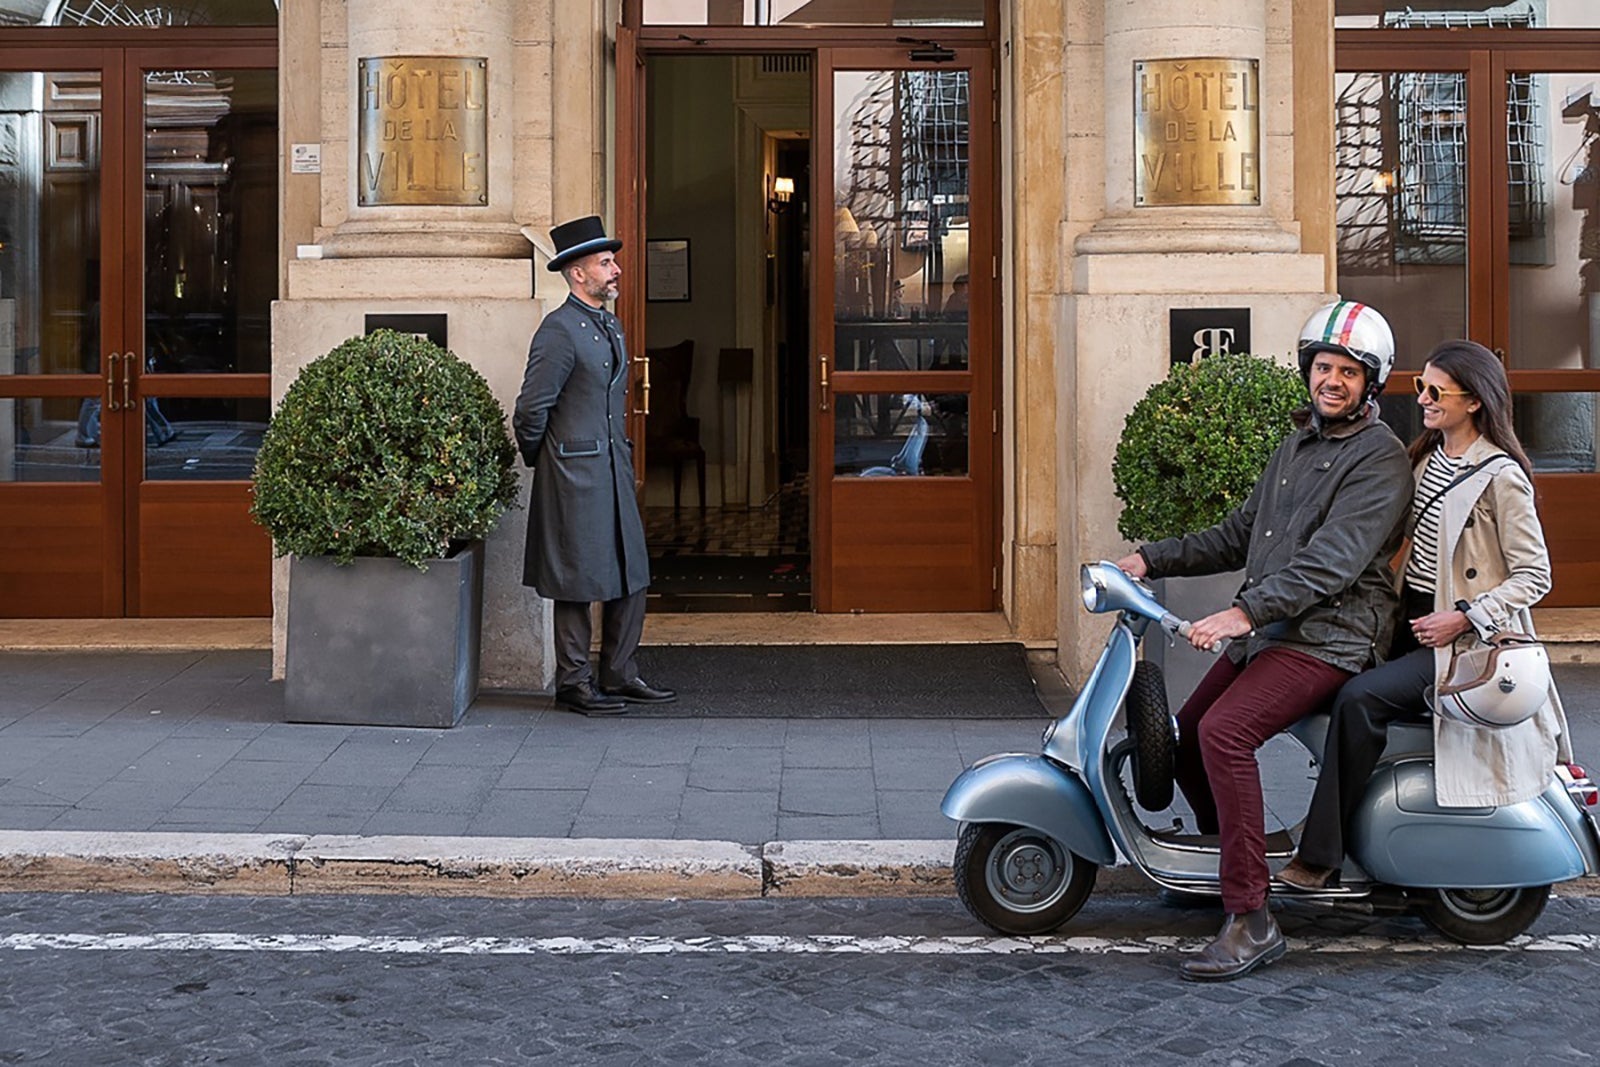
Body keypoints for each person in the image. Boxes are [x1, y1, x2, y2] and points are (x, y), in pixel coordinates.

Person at [1115, 300, 1412, 981]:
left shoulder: (1379, 459)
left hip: (1332, 636)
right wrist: (1149, 559)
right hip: (1278, 628)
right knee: (1190, 729)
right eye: (1322, 367)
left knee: (1224, 732)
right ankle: (1231, 868)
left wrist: (1243, 613)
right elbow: (1238, 534)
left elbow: (1331, 563)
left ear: (1371, 383)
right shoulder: (1296, 443)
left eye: (1347, 371)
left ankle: (1251, 917)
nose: (1331, 380)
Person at [1277, 340, 1572, 891]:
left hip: (1459, 640)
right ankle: (1367, 827)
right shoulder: (1423, 458)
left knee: (1359, 699)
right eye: (1421, 387)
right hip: (1404, 621)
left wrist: (1464, 617)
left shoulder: (1499, 476)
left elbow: (1536, 575)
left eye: (1437, 391)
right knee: (1320, 679)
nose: (1424, 399)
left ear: (1475, 401)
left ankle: (1321, 857)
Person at [514, 215, 676, 716]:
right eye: (606, 263)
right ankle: (574, 684)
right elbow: (530, 410)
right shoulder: (559, 330)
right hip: (573, 474)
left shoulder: (608, 324)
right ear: (578, 274)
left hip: (613, 467)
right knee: (578, 578)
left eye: (613, 261)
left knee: (632, 568)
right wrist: (548, 459)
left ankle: (619, 673)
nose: (616, 270)